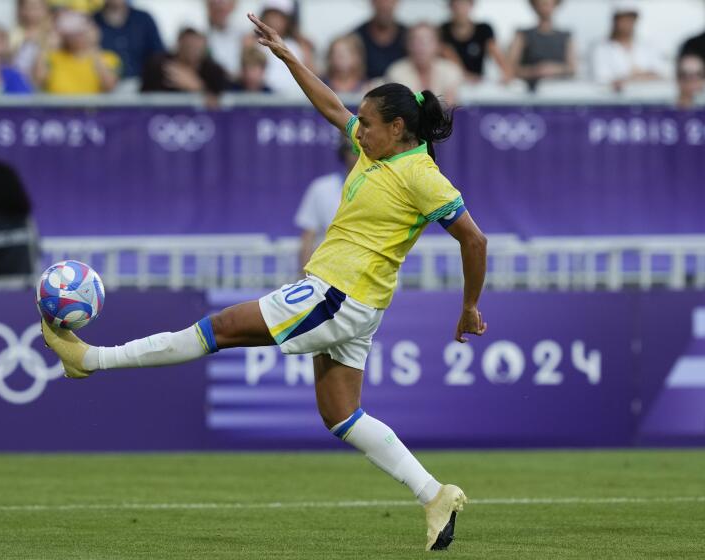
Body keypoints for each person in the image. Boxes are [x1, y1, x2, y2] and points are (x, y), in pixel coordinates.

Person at [42, 11, 488, 552]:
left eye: (367, 123)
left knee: (224, 326)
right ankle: (434, 494)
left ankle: (90, 360)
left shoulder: (422, 174)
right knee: (342, 415)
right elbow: (331, 106)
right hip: (358, 304)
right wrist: (290, 58)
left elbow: (474, 239)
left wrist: (468, 307)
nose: (357, 130)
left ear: (397, 128)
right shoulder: (377, 150)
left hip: (338, 295)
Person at [294, 137, 359, 268]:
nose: (358, 154)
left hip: (368, 273)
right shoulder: (321, 188)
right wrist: (305, 275)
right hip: (327, 272)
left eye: (363, 149)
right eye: (354, 149)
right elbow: (308, 236)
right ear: (343, 153)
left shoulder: (383, 187)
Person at [34, 10, 120, 95]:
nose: (76, 37)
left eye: (80, 32)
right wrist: (45, 46)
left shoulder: (108, 58)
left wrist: (94, 47)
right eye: (72, 33)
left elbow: (110, 86)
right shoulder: (52, 57)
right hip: (59, 108)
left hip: (92, 109)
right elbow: (38, 80)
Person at [590, 1, 664, 91]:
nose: (627, 23)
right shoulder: (601, 48)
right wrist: (639, 76)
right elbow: (602, 79)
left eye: (630, 18)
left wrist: (629, 78)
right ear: (615, 20)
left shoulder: (648, 45)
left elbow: (660, 75)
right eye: (623, 18)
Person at [385, 23, 464, 106]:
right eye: (415, 41)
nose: (420, 46)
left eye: (426, 41)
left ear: (438, 45)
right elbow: (405, 107)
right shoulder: (396, 72)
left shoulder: (451, 71)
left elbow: (449, 107)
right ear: (407, 45)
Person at [245, 0, 314, 95]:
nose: (273, 20)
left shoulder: (301, 46)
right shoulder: (251, 42)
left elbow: (311, 79)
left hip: (296, 102)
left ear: (288, 20)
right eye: (270, 14)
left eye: (279, 16)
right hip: (262, 100)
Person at [507, 0, 576, 91]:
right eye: (541, 4)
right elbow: (509, 67)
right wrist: (533, 71)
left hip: (560, 91)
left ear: (556, 5)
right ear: (534, 6)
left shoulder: (566, 36)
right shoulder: (522, 35)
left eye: (548, 4)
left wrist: (553, 69)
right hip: (530, 91)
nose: (545, 8)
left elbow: (572, 68)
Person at [140, 26, 228, 96]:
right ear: (179, 42)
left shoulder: (214, 71)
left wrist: (197, 87)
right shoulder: (158, 67)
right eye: (188, 44)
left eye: (196, 43)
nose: (192, 46)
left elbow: (220, 101)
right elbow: (145, 97)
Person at [440, 0, 511, 83]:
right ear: (450, 7)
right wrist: (466, 77)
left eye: (463, 5)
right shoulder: (442, 31)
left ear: (471, 5)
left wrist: (507, 74)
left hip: (476, 83)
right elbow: (451, 61)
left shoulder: (484, 29)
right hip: (452, 81)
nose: (460, 9)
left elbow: (497, 55)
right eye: (456, 5)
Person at [94, 0, 164, 82]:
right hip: (103, 85)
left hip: (142, 84)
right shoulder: (91, 21)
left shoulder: (143, 19)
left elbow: (159, 55)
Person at [352, 0, 407, 80]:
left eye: (390, 1)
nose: (385, 5)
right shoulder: (356, 38)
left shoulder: (408, 37)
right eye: (380, 1)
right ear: (372, 2)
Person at [9, 0, 58, 83]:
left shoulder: (52, 34)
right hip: (19, 79)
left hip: (45, 81)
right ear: (20, 10)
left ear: (45, 10)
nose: (31, 12)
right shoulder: (14, 33)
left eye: (36, 8)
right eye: (27, 8)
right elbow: (9, 59)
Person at [206, 0, 244, 79]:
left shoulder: (243, 34)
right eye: (214, 4)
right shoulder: (201, 32)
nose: (219, 7)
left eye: (223, 4)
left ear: (232, 6)